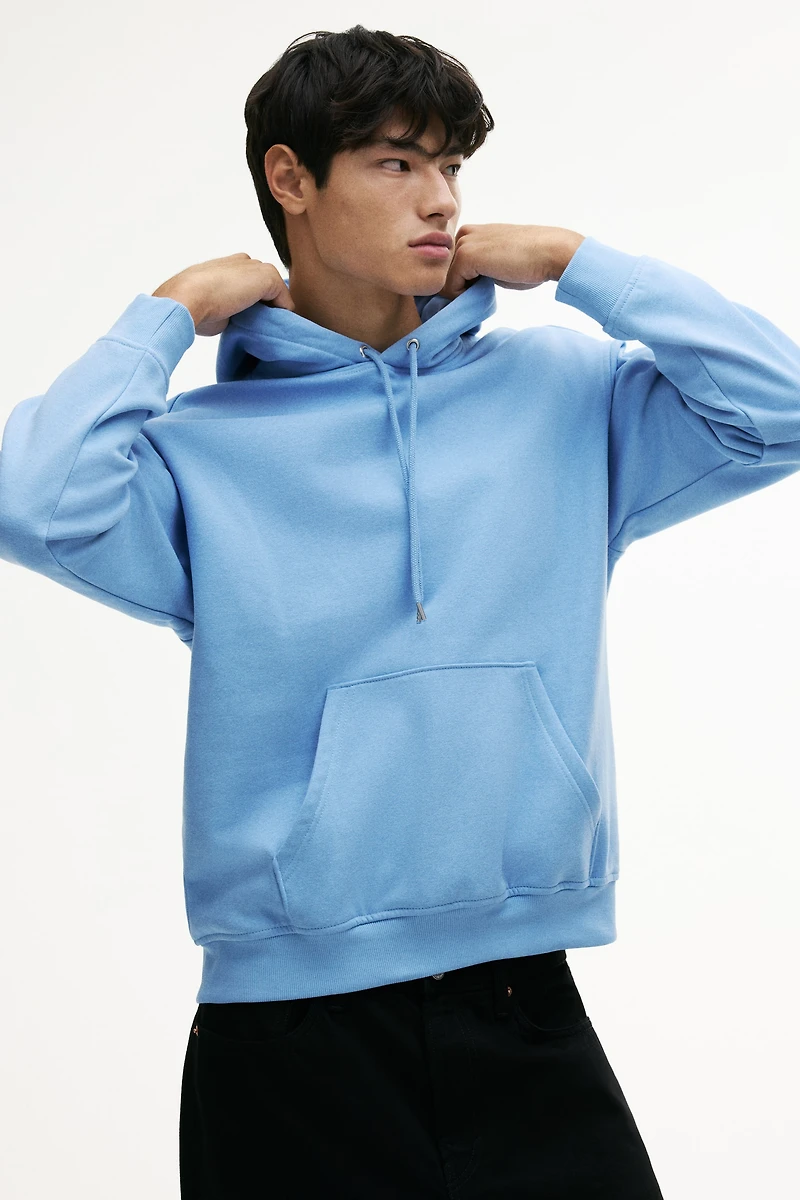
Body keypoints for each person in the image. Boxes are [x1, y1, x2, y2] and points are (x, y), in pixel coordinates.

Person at [2, 23, 799, 1200]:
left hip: (523, 999)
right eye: (394, 162)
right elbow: (34, 504)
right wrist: (164, 314)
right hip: (286, 1037)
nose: (440, 199)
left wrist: (579, 262)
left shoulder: (561, 395)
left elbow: (777, 408)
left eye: (449, 165)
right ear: (290, 179)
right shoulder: (200, 455)